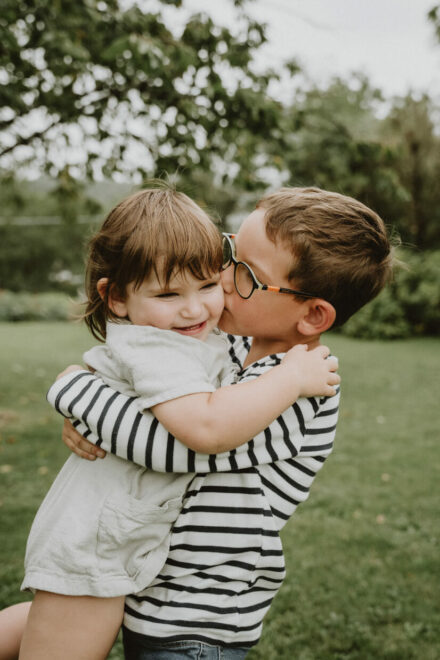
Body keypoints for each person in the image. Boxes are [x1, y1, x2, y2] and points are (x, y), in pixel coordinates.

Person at [29, 186, 393, 660]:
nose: (220, 278)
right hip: (152, 589)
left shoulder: (302, 386)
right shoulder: (231, 347)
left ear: (313, 315)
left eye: (246, 274)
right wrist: (89, 392)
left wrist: (76, 394)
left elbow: (181, 443)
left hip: (198, 618)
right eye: (229, 254)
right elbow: (151, 386)